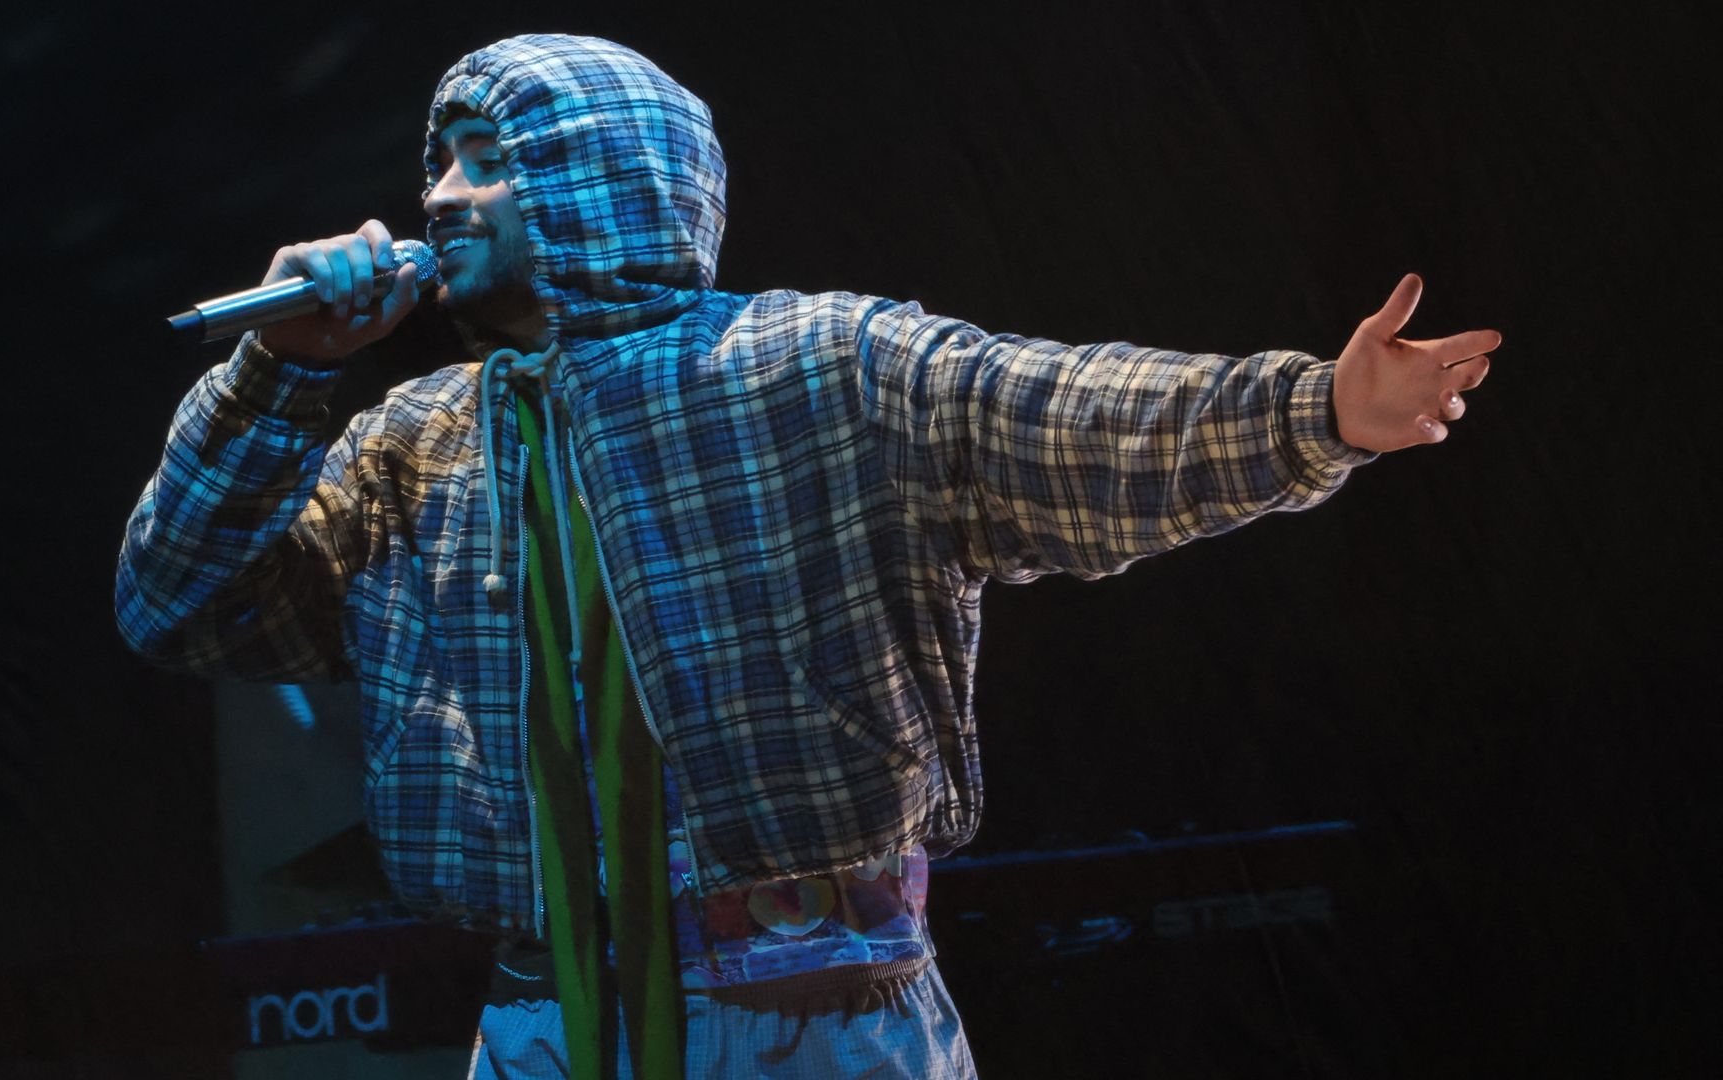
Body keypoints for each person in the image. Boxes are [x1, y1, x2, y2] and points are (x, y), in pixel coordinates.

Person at [116, 32, 1499, 1079]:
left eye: (487, 156)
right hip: (542, 1022)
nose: (442, 197)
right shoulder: (419, 439)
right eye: (437, 160)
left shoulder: (816, 369)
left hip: (817, 1017)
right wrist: (275, 377)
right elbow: (181, 606)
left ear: (604, 180)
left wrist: (1320, 408)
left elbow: (1075, 420)